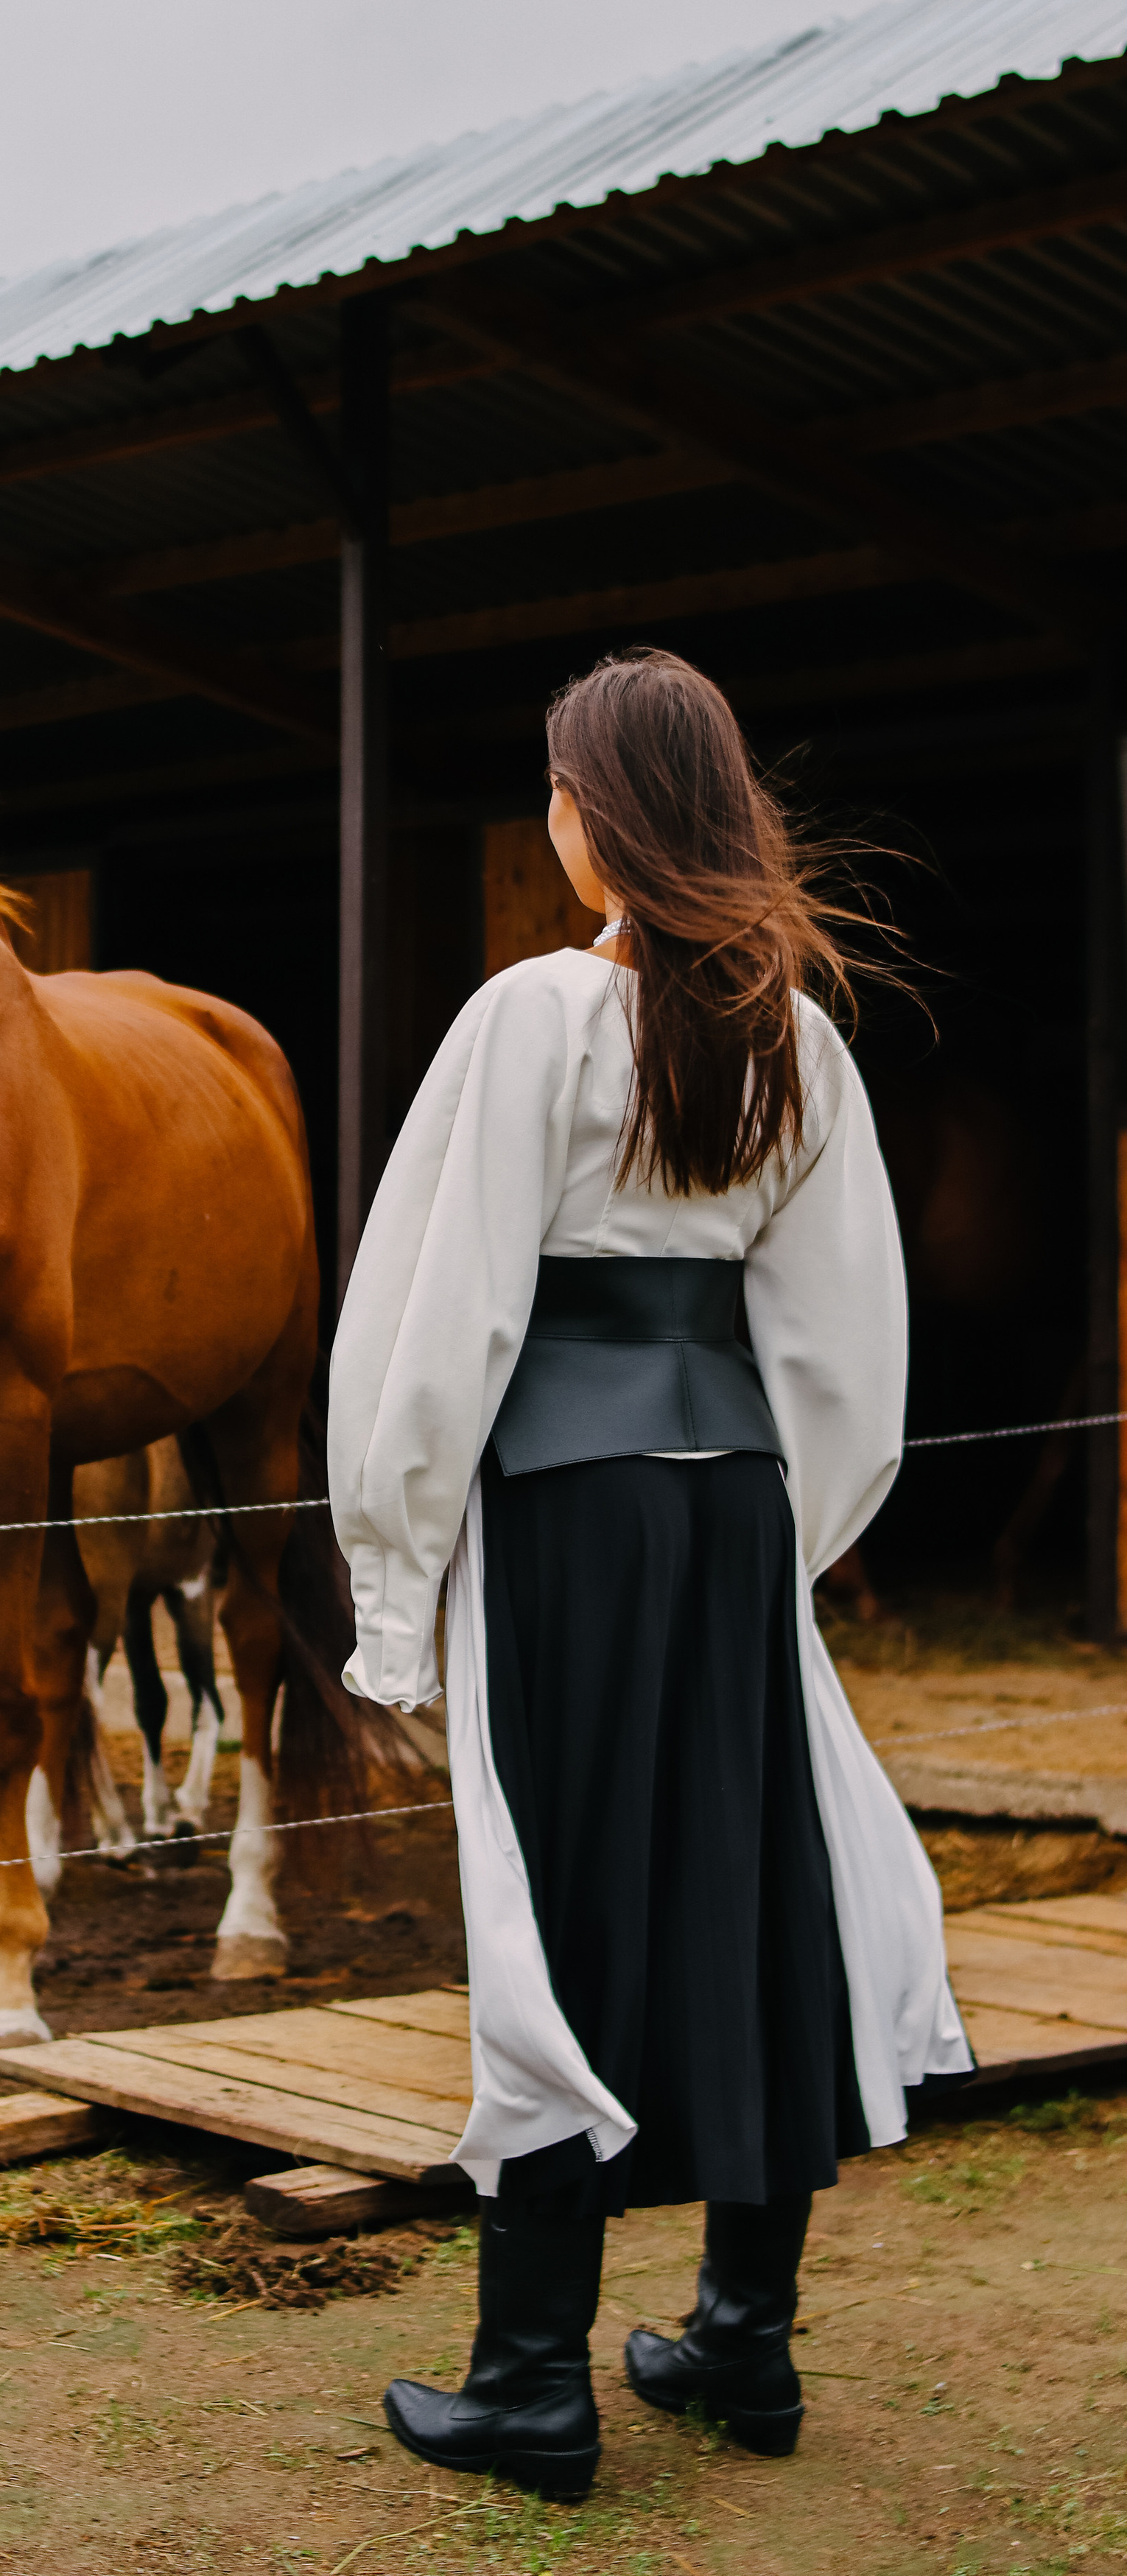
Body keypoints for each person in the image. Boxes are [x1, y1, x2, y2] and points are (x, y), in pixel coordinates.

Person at [328, 650, 969, 2504]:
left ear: (586, 817)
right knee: (749, 1879)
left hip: (558, 1510)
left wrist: (396, 1570)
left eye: (552, 789)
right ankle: (742, 2345)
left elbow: (438, 1321)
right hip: (732, 1509)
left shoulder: (527, 1016)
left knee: (555, 1904)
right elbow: (845, 1347)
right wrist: (791, 1528)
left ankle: (532, 2381)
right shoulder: (798, 1037)